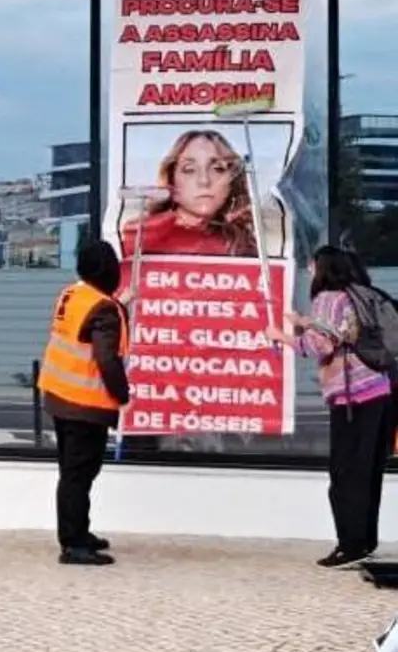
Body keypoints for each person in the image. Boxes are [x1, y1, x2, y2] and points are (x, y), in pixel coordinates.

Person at [267, 245, 394, 568]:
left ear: (322, 267)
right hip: (379, 390)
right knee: (367, 471)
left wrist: (280, 336)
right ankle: (364, 541)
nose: (309, 268)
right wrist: (303, 323)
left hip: (353, 397)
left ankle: (348, 547)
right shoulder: (356, 294)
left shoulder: (327, 298)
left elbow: (320, 344)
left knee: (345, 472)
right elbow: (340, 332)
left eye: (312, 263)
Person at [38, 239, 131, 566]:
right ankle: (73, 543)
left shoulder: (72, 295)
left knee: (74, 471)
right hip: (83, 404)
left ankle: (79, 531)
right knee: (79, 474)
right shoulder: (105, 308)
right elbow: (107, 359)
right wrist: (123, 395)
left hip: (59, 395)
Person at [119, 129, 260, 258]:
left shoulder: (242, 242)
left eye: (217, 168)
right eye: (189, 170)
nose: (204, 181)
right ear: (171, 180)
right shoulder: (143, 234)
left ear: (232, 181)